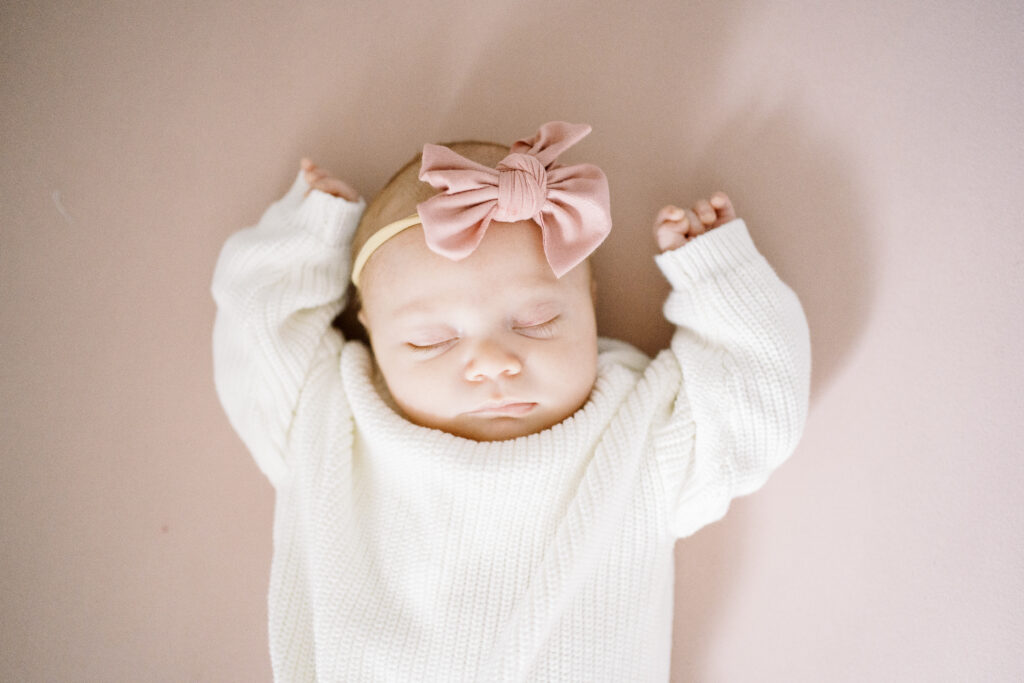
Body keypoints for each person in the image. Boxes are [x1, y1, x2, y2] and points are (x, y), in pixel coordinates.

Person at [211, 121, 811, 681]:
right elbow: (255, 330)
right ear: (369, 327)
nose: (494, 362)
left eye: (538, 320)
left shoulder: (639, 430)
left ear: (591, 306)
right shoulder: (332, 417)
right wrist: (306, 238)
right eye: (431, 340)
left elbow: (754, 410)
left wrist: (719, 280)